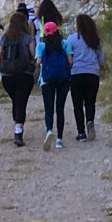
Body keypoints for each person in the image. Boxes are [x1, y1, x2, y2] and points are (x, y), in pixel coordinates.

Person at [0, 12, 36, 146]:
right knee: (21, 101)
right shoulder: (29, 38)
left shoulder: (4, 38)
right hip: (24, 75)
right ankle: (18, 132)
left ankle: (17, 124)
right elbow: (33, 56)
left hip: (7, 77)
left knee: (16, 101)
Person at [36, 21, 73, 150]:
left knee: (49, 108)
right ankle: (59, 139)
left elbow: (38, 61)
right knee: (60, 109)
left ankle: (49, 131)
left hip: (47, 80)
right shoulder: (65, 44)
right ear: (57, 31)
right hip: (63, 79)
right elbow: (70, 61)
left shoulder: (41, 45)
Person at [67, 14, 105, 142]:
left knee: (77, 104)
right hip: (92, 74)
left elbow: (68, 59)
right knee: (90, 102)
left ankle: (81, 132)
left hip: (76, 74)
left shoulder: (71, 39)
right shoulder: (96, 40)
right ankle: (90, 122)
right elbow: (101, 59)